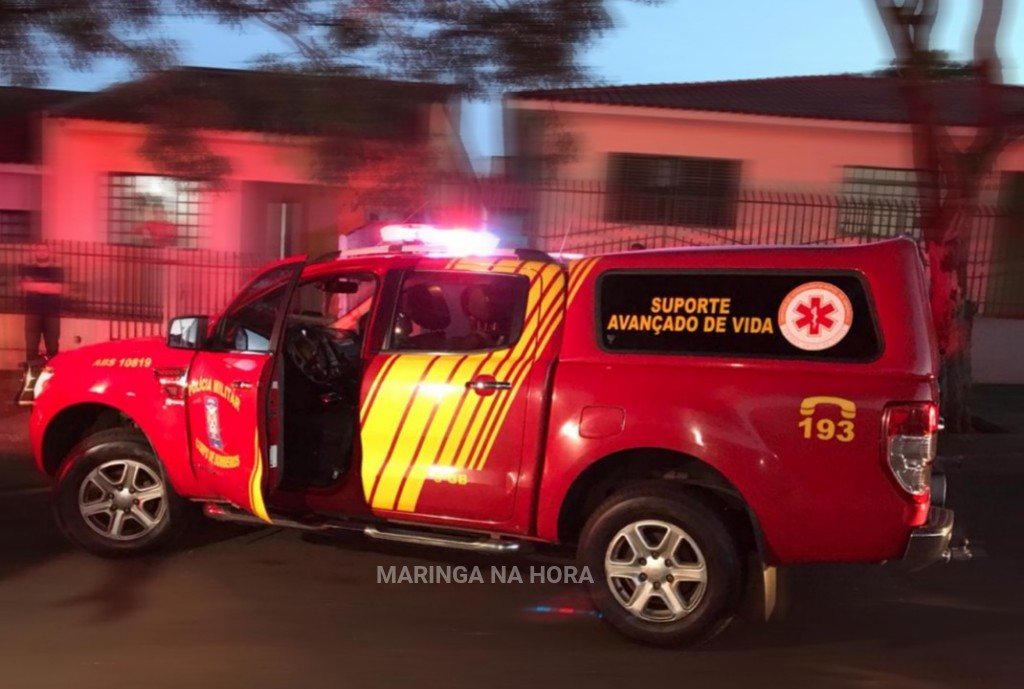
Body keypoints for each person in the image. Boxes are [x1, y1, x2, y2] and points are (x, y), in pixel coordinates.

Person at [20, 244, 64, 365]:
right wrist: (48, 285)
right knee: (31, 348)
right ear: (35, 252)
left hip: (52, 314)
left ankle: (53, 376)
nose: (42, 252)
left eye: (44, 250)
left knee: (53, 348)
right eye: (39, 250)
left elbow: (58, 289)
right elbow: (25, 286)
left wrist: (35, 285)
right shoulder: (27, 268)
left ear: (49, 252)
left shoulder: (57, 270)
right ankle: (31, 379)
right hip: (32, 313)